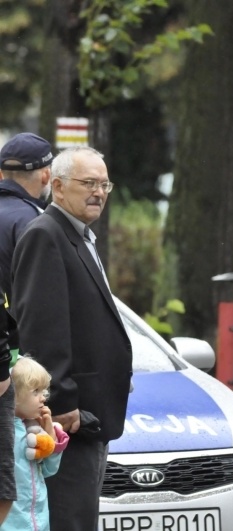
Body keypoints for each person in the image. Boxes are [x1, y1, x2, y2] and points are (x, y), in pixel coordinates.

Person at [10, 146, 133, 531]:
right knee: (70, 521)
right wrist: (60, 403)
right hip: (69, 419)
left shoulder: (79, 235)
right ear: (58, 187)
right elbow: (42, 328)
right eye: (88, 183)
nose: (98, 192)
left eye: (104, 184)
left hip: (91, 416)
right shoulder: (45, 235)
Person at [0, 132, 54, 525]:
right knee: (11, 480)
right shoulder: (33, 221)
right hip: (13, 365)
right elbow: (36, 306)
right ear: (47, 175)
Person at [1, 356, 69, 530]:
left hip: (38, 522)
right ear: (12, 393)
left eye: (44, 391)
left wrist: (50, 435)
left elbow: (48, 470)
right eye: (35, 391)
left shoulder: (33, 428)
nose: (43, 398)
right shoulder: (5, 431)